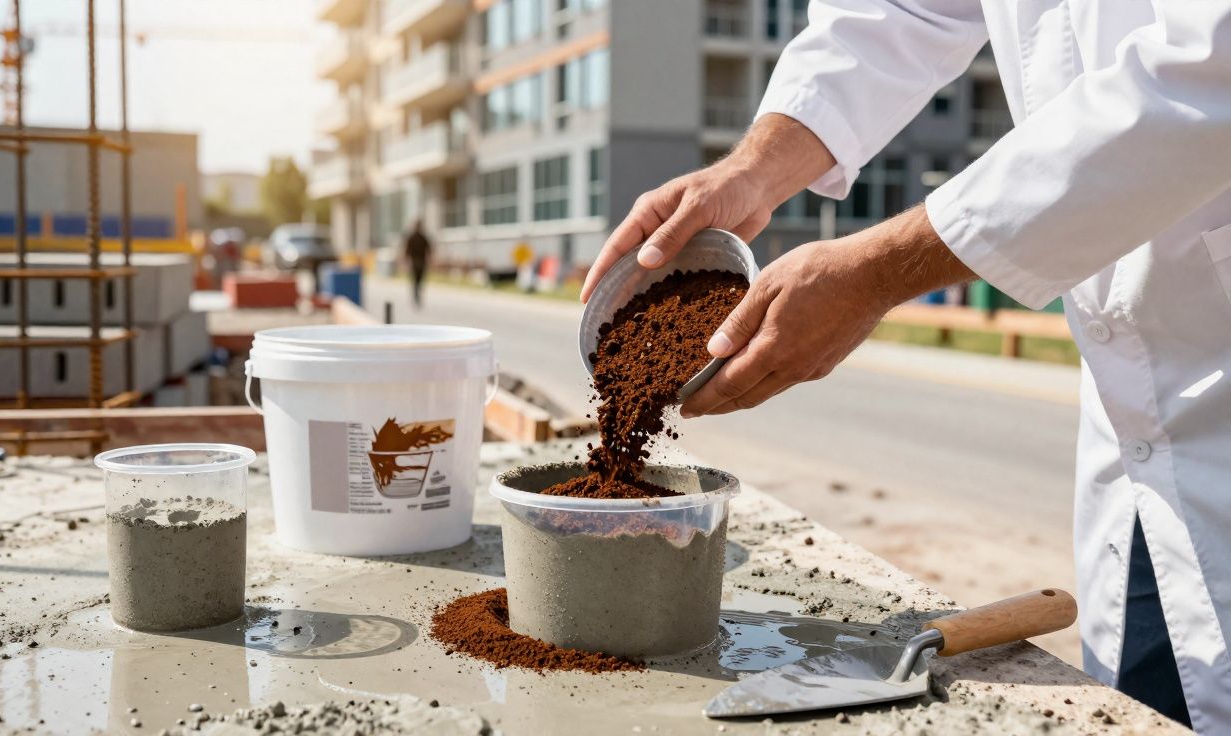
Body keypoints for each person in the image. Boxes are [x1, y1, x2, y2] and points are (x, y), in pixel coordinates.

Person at [582, 4, 1231, 732]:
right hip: (1137, 431)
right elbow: (899, 10)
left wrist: (880, 270)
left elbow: (1210, 68)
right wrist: (752, 171)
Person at [404, 219, 432, 308]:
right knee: (416, 279)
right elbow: (407, 250)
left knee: (419, 279)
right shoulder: (412, 237)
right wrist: (406, 260)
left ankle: (417, 293)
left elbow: (429, 249)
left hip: (421, 261)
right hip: (415, 261)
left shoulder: (423, 237)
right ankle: (416, 294)